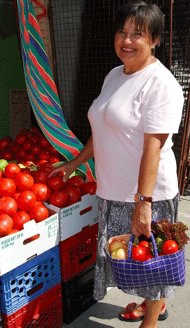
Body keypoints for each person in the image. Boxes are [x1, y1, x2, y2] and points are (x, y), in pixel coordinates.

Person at [49, 1, 184, 327]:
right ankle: (154, 306)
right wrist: (77, 161)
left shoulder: (161, 84)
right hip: (114, 189)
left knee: (153, 262)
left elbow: (154, 147)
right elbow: (104, 127)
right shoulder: (114, 75)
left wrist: (144, 202)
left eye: (137, 34)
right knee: (135, 262)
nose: (126, 40)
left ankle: (149, 322)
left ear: (155, 39)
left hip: (148, 193)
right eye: (122, 32)